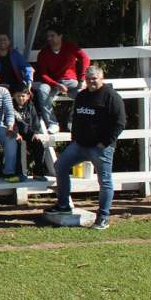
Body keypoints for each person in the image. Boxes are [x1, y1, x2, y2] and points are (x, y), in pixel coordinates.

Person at [46, 66, 126, 230]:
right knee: (60, 166)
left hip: (101, 148)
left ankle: (103, 216)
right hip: (80, 145)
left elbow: (120, 122)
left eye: (94, 78)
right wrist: (74, 139)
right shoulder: (82, 96)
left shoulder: (111, 96)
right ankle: (63, 205)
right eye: (88, 78)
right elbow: (76, 119)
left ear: (101, 78)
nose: (91, 81)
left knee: (104, 181)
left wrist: (105, 142)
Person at [33, 25, 90, 134]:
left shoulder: (70, 47)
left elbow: (85, 58)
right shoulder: (43, 53)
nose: (49, 38)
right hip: (51, 83)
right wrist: (55, 84)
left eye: (52, 35)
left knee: (83, 93)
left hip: (70, 82)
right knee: (42, 90)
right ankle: (52, 124)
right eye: (48, 36)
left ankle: (73, 121)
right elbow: (43, 74)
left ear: (60, 36)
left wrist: (82, 79)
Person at [12, 87, 51, 181]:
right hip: (16, 133)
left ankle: (38, 173)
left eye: (23, 96)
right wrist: (16, 133)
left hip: (28, 132)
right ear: (14, 96)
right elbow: (9, 121)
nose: (21, 98)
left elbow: (35, 120)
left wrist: (36, 132)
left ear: (28, 96)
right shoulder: (11, 107)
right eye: (18, 96)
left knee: (39, 145)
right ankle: (19, 173)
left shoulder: (30, 106)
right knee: (16, 147)